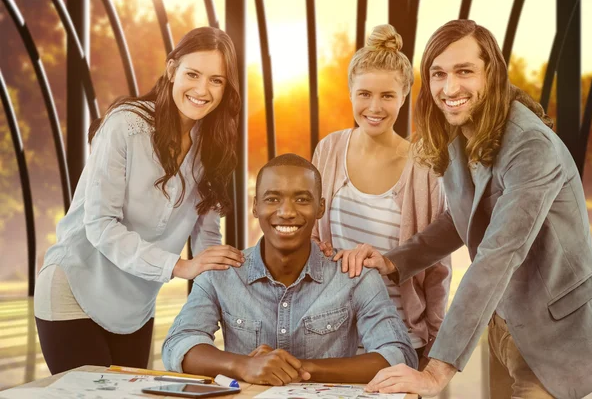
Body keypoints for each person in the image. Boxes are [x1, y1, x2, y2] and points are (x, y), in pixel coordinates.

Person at [336, 20, 592, 399]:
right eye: (438, 74)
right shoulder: (463, 129)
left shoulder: (531, 147)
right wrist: (394, 263)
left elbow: (497, 254)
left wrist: (435, 372)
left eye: (464, 71)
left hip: (557, 336)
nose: (450, 88)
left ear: (491, 73)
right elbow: (463, 218)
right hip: (503, 323)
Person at [34, 27, 245, 374]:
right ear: (172, 69)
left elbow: (206, 239)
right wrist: (179, 266)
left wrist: (232, 276)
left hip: (135, 309)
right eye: (193, 74)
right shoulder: (125, 125)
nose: (202, 90)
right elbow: (100, 225)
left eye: (216, 80)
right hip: (74, 289)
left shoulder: (214, 147)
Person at [162, 154, 418, 385]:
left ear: (320, 207)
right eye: (273, 198)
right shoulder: (221, 273)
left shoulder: (355, 276)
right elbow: (178, 345)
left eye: (302, 199)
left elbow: (398, 356)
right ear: (255, 206)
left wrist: (299, 369)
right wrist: (244, 366)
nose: (286, 212)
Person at [311, 24, 451, 368]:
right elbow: (311, 235)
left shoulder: (424, 166)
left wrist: (435, 339)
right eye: (364, 94)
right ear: (350, 93)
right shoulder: (328, 150)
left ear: (404, 96)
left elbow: (436, 265)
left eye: (387, 96)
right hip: (332, 338)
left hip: (400, 341)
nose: (375, 107)